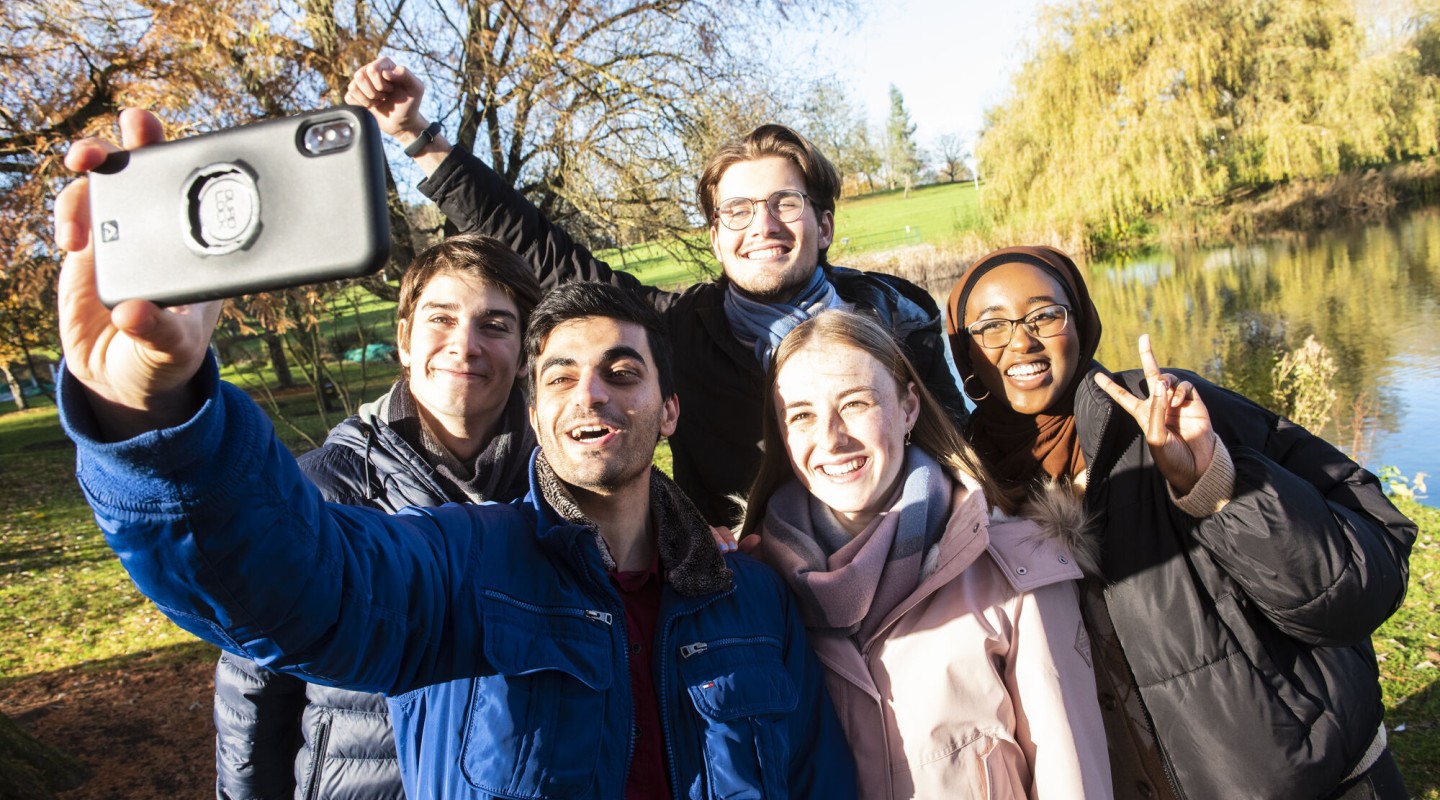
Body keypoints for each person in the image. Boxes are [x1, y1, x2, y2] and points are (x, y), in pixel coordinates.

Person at [54, 109, 857, 799]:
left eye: (623, 372)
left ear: (670, 410)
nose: (593, 395)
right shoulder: (470, 564)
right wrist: (156, 407)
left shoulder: (752, 598)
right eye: (563, 377)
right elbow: (291, 586)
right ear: (536, 413)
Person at [343, 57, 967, 526]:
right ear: (718, 237)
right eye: (740, 210)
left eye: (785, 203)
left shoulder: (898, 315)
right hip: (761, 599)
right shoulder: (678, 330)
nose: (764, 226)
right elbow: (543, 251)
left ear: (825, 223)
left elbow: (964, 452)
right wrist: (419, 138)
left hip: (916, 568)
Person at [943, 245, 1416, 800]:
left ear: (1082, 322)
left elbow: (1354, 589)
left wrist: (1215, 485)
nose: (1021, 341)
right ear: (964, 352)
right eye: (991, 326)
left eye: (1045, 314)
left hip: (1312, 779)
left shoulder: (1171, 411)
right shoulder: (964, 484)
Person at [213, 234, 542, 800]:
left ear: (524, 354)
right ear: (405, 341)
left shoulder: (560, 492)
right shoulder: (318, 492)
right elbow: (253, 688)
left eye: (494, 325)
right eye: (441, 319)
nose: (464, 346)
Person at [739, 309, 1113, 799]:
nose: (830, 438)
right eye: (803, 415)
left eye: (855, 403)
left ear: (909, 406)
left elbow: (1072, 778)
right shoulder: (750, 587)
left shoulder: (1016, 567)